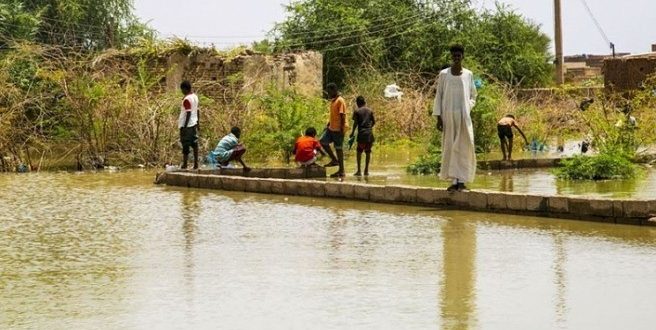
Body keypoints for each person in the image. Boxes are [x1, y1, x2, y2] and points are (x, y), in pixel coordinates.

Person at [433, 44, 478, 192]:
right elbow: (439, 95)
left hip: (463, 116)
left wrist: (467, 106)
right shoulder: (444, 74)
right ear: (451, 57)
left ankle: (462, 181)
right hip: (448, 115)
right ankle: (454, 181)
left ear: (462, 56)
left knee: (465, 146)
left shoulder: (468, 74)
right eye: (454, 55)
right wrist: (438, 117)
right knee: (450, 147)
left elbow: (473, 95)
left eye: (459, 55)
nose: (456, 57)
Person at [320, 83, 347, 178]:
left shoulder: (340, 100)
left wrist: (341, 128)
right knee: (323, 141)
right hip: (331, 128)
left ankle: (341, 171)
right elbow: (333, 115)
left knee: (339, 149)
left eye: (329, 91)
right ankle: (334, 160)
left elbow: (342, 115)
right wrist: (328, 124)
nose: (328, 93)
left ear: (334, 90)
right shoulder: (333, 101)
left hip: (338, 129)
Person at [350, 96, 375, 176]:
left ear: (357, 103)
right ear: (365, 102)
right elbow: (374, 122)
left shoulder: (357, 111)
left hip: (361, 133)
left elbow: (355, 123)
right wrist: (369, 128)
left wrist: (352, 132)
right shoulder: (370, 110)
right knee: (368, 151)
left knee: (359, 151)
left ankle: (359, 171)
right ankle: (366, 170)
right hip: (369, 134)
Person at [178, 80, 200, 169]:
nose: (182, 92)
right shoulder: (195, 97)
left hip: (187, 125)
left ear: (185, 89)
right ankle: (196, 164)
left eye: (182, 90)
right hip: (194, 124)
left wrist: (185, 126)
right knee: (195, 144)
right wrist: (198, 122)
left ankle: (185, 164)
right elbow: (197, 110)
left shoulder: (187, 99)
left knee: (185, 145)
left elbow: (188, 113)